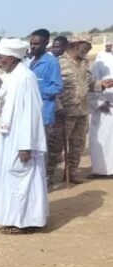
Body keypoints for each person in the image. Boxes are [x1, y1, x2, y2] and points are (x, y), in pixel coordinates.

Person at [0, 39, 48, 235]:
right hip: (11, 135)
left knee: (23, 178)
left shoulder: (25, 78)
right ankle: (16, 219)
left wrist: (26, 144)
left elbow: (31, 112)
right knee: (12, 178)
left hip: (22, 139)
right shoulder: (13, 76)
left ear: (13, 58)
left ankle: (26, 222)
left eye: (1, 57)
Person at [54, 38, 111, 184]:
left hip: (82, 111)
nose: (87, 52)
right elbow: (53, 88)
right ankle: (48, 175)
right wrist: (58, 107)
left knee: (78, 145)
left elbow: (89, 84)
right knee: (57, 146)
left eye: (88, 49)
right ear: (75, 46)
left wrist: (102, 84)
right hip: (65, 112)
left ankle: (71, 172)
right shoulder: (58, 63)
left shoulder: (85, 63)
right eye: (85, 48)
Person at [27, 29, 64, 184]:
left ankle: (42, 181)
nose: (33, 46)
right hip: (29, 111)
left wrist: (37, 90)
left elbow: (57, 87)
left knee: (41, 149)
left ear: (46, 43)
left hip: (43, 112)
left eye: (37, 44)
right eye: (31, 43)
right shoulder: (30, 61)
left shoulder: (51, 62)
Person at [90, 48, 113, 176]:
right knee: (100, 138)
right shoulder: (102, 60)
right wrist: (98, 103)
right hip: (105, 107)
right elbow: (90, 84)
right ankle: (101, 171)